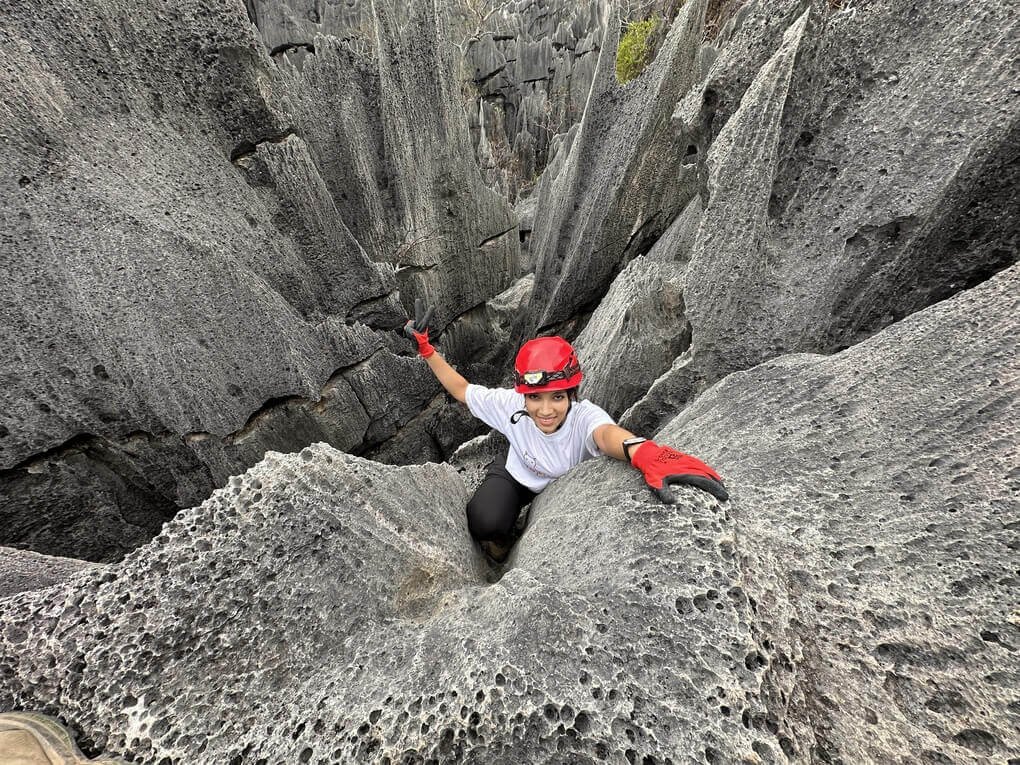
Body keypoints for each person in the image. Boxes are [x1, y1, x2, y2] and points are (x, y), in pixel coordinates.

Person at [403, 299, 728, 561]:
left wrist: (643, 451)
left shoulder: (584, 417)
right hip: (518, 471)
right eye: (535, 398)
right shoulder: (509, 405)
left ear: (572, 395)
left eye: (557, 397)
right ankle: (503, 540)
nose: (546, 410)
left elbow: (606, 435)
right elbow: (461, 390)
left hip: (560, 483)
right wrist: (428, 352)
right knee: (484, 521)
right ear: (522, 395)